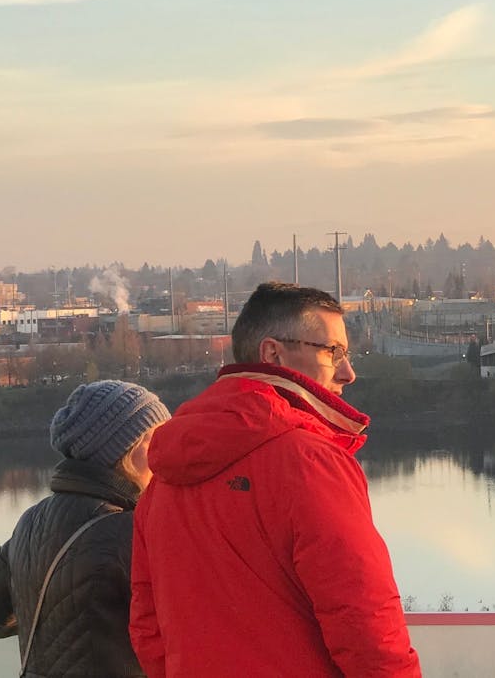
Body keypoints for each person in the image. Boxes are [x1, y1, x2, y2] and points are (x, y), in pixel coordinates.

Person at [130, 282, 421, 677]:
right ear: (273, 354)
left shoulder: (162, 480)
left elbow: (149, 630)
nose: (348, 372)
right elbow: (365, 624)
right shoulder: (309, 463)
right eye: (333, 352)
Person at [0, 380, 171, 677]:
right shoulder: (132, 533)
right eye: (156, 438)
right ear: (126, 450)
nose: (166, 451)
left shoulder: (31, 521)